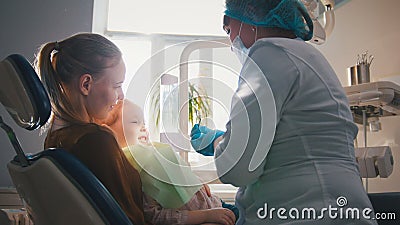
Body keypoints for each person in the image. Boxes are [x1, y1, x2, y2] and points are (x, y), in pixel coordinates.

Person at [190, 0, 377, 224]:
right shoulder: (308, 56)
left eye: (229, 30)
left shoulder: (268, 54)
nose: (232, 41)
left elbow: (238, 169)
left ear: (249, 21)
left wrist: (218, 142)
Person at [35, 33, 150, 225]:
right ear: (86, 84)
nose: (121, 96)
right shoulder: (96, 140)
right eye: (117, 86)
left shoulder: (56, 138)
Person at [101, 99, 238, 225]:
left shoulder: (153, 153)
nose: (144, 127)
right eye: (135, 122)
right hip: (215, 214)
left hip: (216, 203)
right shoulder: (133, 171)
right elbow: (155, 216)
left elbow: (178, 175)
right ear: (109, 131)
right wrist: (206, 216)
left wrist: (196, 183)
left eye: (144, 123)